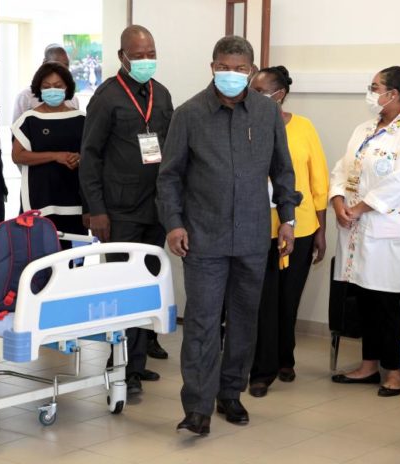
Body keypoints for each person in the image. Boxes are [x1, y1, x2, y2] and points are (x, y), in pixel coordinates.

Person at [157, 36, 301, 435]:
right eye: (224, 67)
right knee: (202, 323)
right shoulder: (188, 114)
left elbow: (283, 170)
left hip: (253, 236)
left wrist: (287, 219)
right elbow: (169, 177)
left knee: (243, 320)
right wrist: (174, 223)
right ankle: (197, 407)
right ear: (212, 67)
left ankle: (230, 393)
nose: (231, 75)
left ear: (251, 70)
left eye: (240, 69)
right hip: (203, 237)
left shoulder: (267, 113)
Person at [79, 25, 173, 395]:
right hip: (118, 211)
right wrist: (96, 210)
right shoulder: (107, 97)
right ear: (122, 57)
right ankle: (120, 368)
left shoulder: (161, 94)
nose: (147, 60)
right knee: (122, 288)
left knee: (147, 285)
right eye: (139, 55)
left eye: (151, 54)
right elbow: (90, 156)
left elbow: (169, 148)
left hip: (155, 207)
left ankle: (136, 362)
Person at [329, 66, 400, 397]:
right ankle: (368, 365)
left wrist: (359, 208)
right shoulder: (364, 128)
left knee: (388, 303)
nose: (370, 92)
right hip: (356, 228)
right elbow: (342, 168)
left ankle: (395, 371)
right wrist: (337, 201)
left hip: (389, 230)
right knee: (364, 299)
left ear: (394, 94)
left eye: (375, 87)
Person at [248, 66, 329, 398]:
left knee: (288, 300)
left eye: (259, 91)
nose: (251, 95)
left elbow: (319, 182)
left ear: (279, 94)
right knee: (264, 302)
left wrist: (321, 230)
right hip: (258, 228)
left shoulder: (304, 127)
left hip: (301, 226)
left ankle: (285, 358)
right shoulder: (246, 125)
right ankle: (262, 371)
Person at [11, 62, 86, 240]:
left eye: (58, 86)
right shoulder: (29, 120)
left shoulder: (81, 119)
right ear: (39, 89)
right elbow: (17, 155)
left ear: (67, 87)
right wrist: (55, 156)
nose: (53, 90)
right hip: (39, 200)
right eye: (47, 86)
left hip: (74, 202)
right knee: (41, 251)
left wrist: (79, 158)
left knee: (74, 254)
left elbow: (93, 155)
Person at [12, 44, 80, 122]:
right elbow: (17, 126)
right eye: (57, 64)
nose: (62, 70)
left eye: (66, 65)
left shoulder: (73, 99)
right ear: (45, 63)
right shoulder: (25, 97)